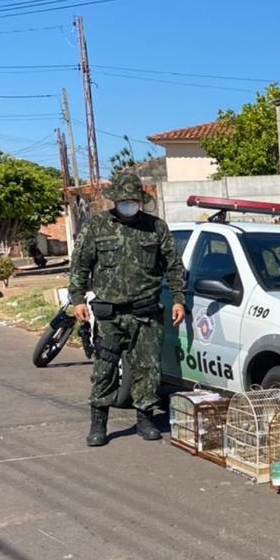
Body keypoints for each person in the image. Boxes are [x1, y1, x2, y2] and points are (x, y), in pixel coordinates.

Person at [67, 172, 186, 447]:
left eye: (133, 200)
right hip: (110, 314)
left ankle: (145, 419)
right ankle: (98, 424)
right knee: (104, 369)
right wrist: (77, 299)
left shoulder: (156, 228)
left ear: (140, 201)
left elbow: (174, 266)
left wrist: (179, 298)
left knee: (148, 369)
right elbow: (80, 264)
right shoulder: (96, 226)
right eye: (124, 200)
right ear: (115, 200)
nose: (128, 204)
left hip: (146, 312)